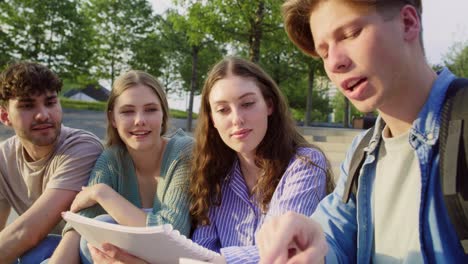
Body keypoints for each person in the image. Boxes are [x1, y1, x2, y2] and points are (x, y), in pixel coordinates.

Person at [256, 0, 468, 263]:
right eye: (323, 52)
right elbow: (331, 239)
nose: (334, 62)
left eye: (350, 34)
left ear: (408, 23)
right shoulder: (362, 153)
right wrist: (305, 248)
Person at [88, 57, 335, 263]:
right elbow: (200, 247)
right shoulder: (217, 173)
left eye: (247, 104)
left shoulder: (305, 164)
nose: (237, 118)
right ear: (213, 120)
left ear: (269, 105)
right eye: (223, 109)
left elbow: (280, 252)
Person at [47, 70, 193, 264]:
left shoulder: (183, 152)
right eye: (127, 111)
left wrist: (103, 193)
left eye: (150, 109)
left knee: (103, 226)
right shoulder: (111, 159)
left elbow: (171, 233)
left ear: (163, 114)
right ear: (113, 119)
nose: (140, 120)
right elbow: (80, 227)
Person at [0, 61, 103, 263]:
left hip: (87, 252)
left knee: (36, 253)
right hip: (44, 249)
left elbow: (28, 233)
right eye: (27, 106)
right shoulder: (4, 157)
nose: (43, 115)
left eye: (50, 102)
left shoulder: (82, 148)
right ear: (5, 116)